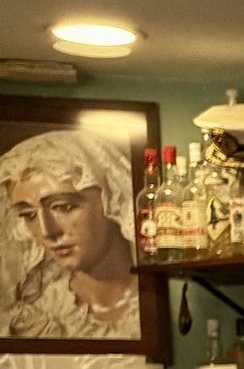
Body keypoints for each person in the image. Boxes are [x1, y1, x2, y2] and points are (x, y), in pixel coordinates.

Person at [1, 129, 140, 339]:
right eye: (29, 215)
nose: (47, 231)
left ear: (111, 199)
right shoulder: (37, 316)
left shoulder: (161, 301)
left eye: (63, 207)